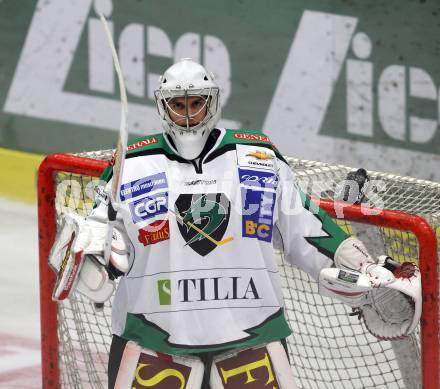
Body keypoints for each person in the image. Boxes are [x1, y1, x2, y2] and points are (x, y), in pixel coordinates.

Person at [49, 58, 422, 389]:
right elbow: (103, 256)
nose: (189, 115)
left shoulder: (257, 156)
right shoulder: (130, 167)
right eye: (179, 105)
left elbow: (305, 228)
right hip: (153, 338)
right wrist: (89, 250)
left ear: (213, 102)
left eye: (197, 103)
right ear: (163, 106)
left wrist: (362, 265)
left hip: (251, 337)